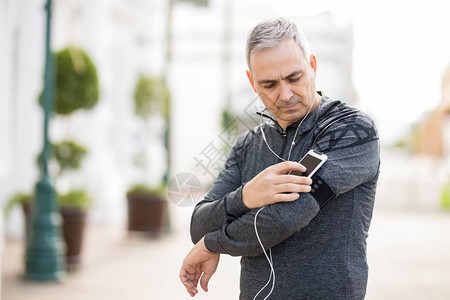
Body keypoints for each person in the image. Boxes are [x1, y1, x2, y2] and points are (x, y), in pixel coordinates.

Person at [179, 17, 380, 299]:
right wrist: (247, 195)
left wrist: (212, 244)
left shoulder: (351, 130)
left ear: (312, 65)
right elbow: (198, 224)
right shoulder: (248, 145)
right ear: (252, 82)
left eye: (294, 78)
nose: (285, 95)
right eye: (269, 84)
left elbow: (288, 215)